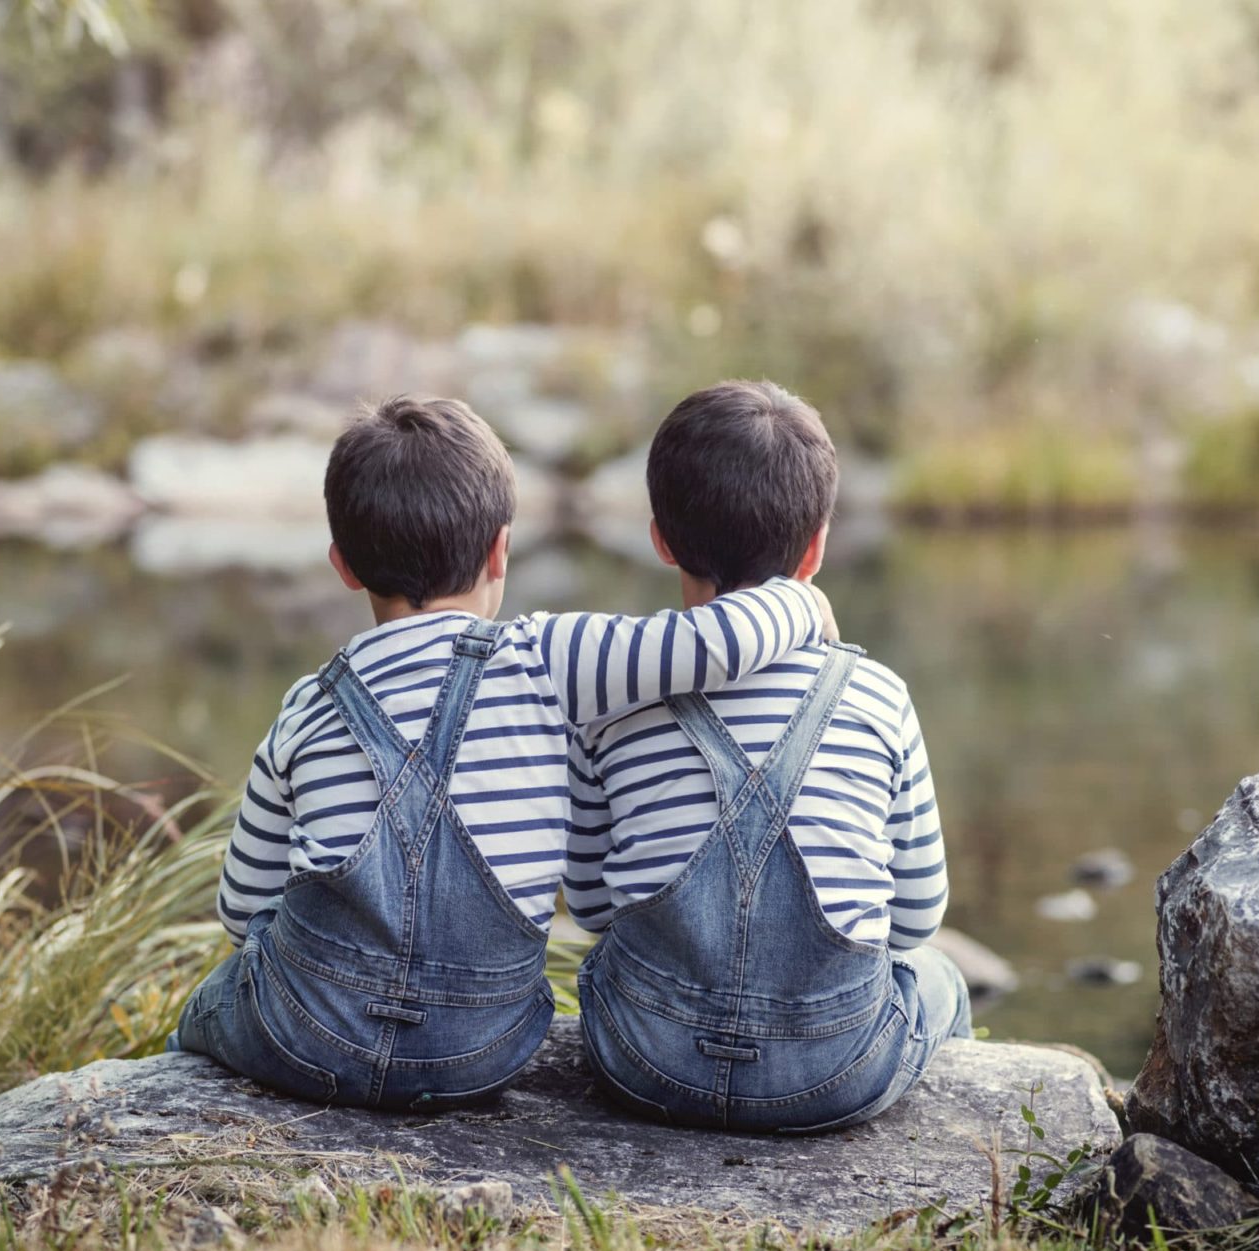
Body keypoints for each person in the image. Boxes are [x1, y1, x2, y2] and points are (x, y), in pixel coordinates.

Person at [169, 394, 832, 1111]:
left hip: (307, 1034)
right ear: (500, 550)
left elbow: (242, 912)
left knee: (214, 998)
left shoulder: (308, 704)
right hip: (482, 1044)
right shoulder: (549, 658)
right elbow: (713, 643)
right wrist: (805, 604)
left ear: (343, 565)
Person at [566, 380, 968, 1132]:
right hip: (835, 1068)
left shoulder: (612, 699)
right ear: (816, 546)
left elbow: (590, 907)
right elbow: (915, 918)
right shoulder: (878, 695)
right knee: (941, 976)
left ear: (660, 538)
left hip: (644, 1057)